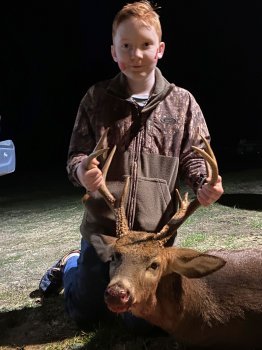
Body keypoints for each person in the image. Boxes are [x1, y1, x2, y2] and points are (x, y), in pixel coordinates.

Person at [39, 0, 224, 331]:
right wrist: (83, 170)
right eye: (126, 46)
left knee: (141, 324)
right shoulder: (96, 100)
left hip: (154, 241)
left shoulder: (182, 103)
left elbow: (194, 158)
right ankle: (71, 265)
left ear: (160, 50)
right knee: (86, 315)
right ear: (113, 51)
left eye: (145, 45)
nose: (136, 54)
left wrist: (203, 184)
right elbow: (75, 156)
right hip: (106, 234)